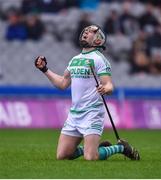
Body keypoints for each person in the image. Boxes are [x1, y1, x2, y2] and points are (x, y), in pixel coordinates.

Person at [35, 25, 140, 161]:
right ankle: (95, 148)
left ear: (98, 40)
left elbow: (109, 85)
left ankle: (121, 148)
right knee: (62, 155)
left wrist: (106, 89)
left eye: (90, 32)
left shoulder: (99, 59)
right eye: (85, 31)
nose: (85, 32)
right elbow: (62, 83)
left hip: (93, 112)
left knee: (90, 158)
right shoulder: (74, 60)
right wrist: (44, 69)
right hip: (75, 114)